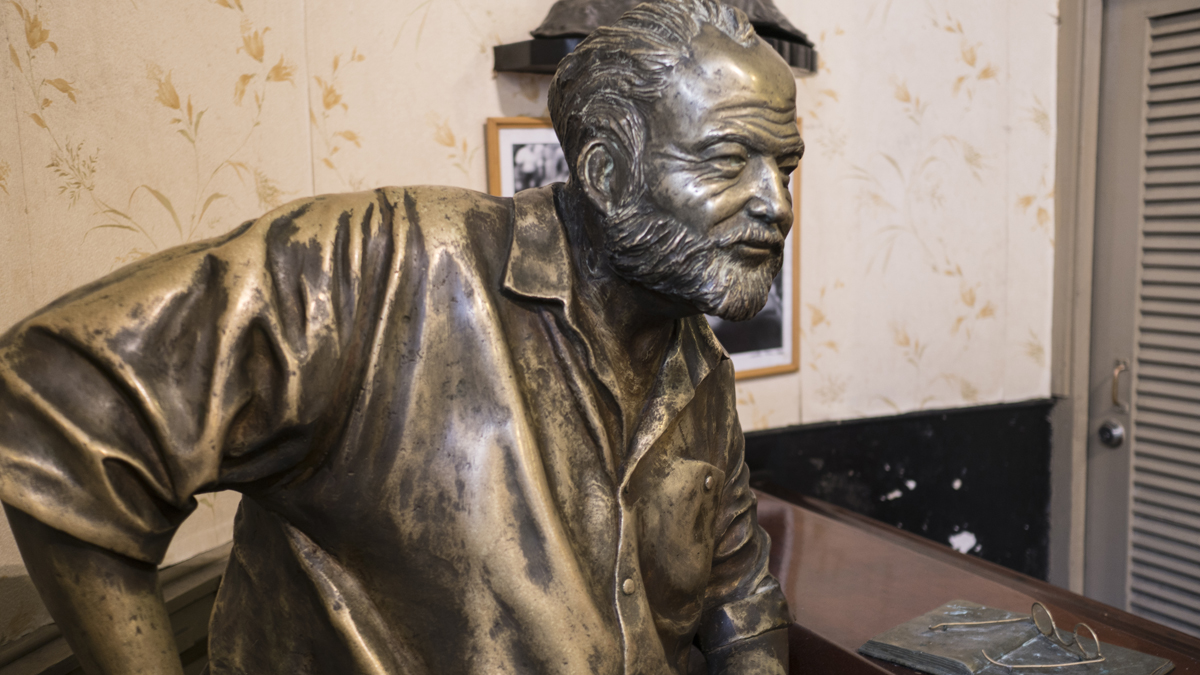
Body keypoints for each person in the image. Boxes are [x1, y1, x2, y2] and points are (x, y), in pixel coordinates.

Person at [0, 0, 802, 672]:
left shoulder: (698, 366)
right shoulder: (384, 265)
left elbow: (741, 600)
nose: (778, 203)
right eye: (730, 159)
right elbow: (59, 401)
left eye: (786, 166)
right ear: (605, 172)